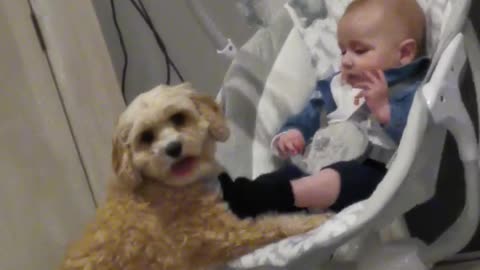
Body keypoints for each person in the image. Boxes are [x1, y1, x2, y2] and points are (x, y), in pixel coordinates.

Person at [220, 0, 431, 218]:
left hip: (375, 175)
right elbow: (311, 112)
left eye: (359, 50)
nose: (346, 61)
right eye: (342, 51)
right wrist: (294, 133)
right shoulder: (336, 86)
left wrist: (385, 109)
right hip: (315, 162)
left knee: (340, 177)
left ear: (404, 53)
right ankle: (245, 198)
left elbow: (419, 134)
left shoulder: (409, 88)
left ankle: (279, 194)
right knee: (285, 175)